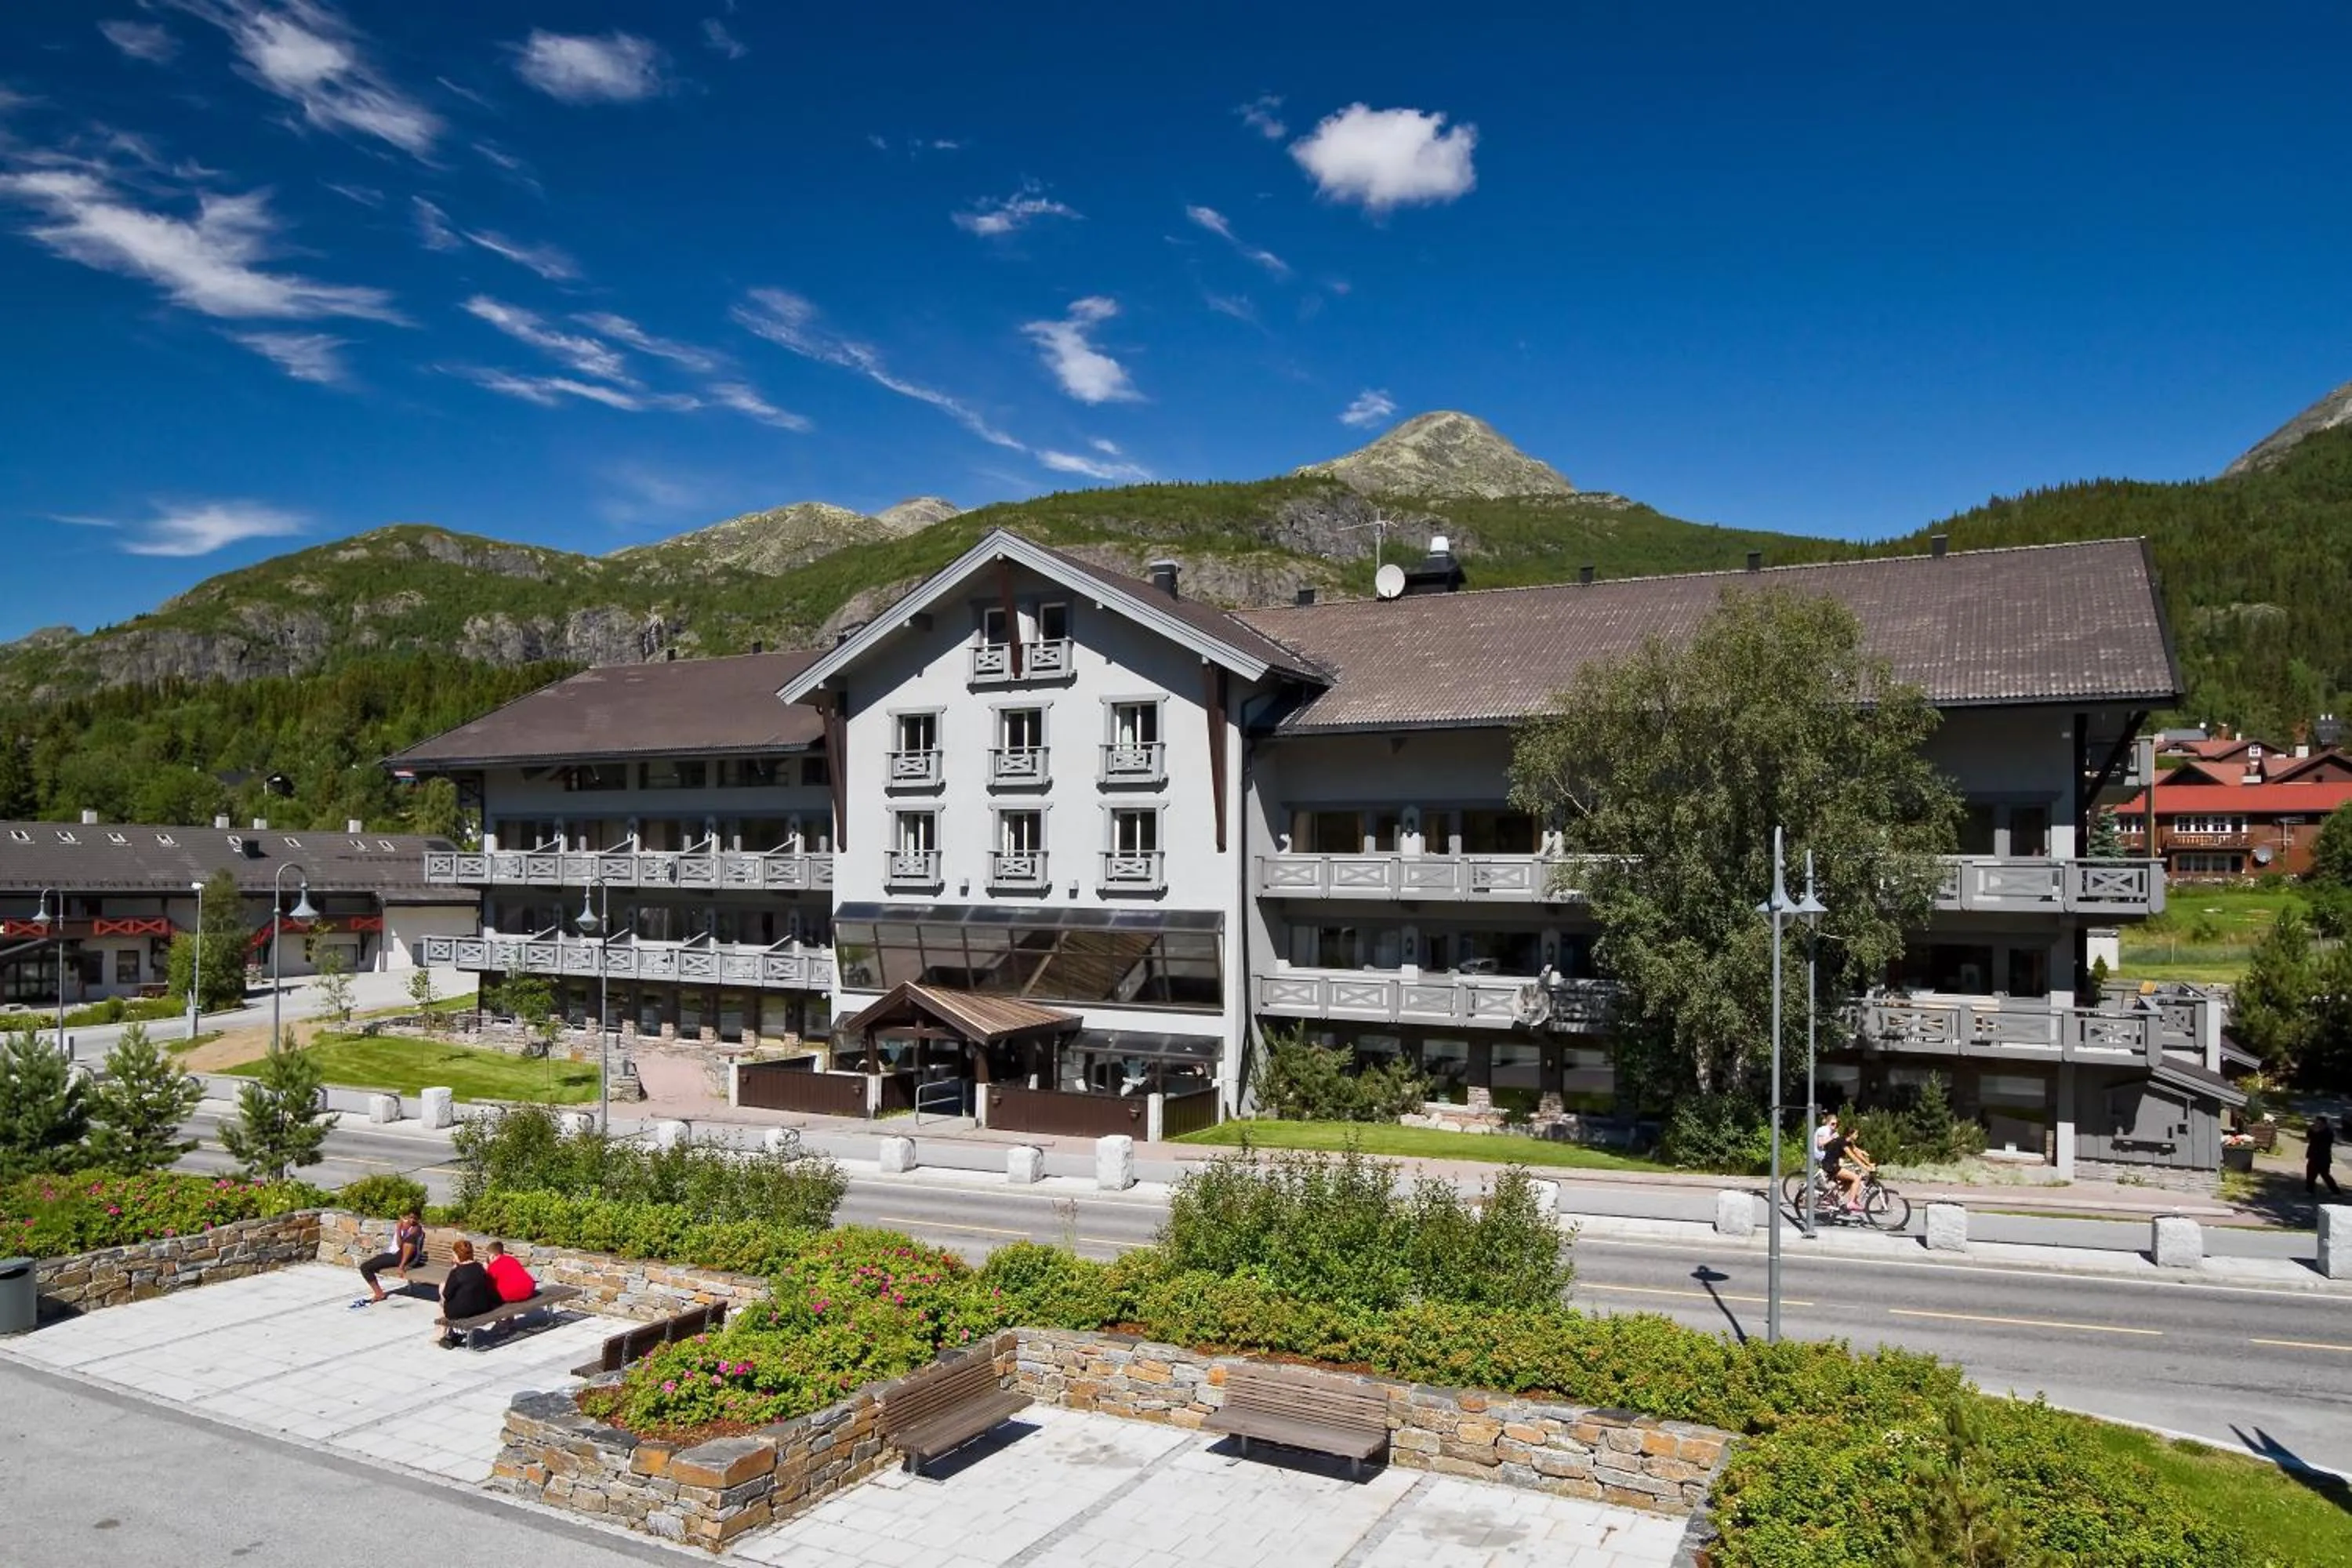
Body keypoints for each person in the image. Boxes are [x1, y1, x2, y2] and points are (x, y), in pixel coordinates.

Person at [433, 1238, 499, 1348]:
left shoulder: (456, 1272)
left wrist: (442, 1292)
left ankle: (442, 1334)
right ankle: (447, 1333)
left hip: (461, 1312)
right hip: (481, 1307)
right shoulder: (480, 1268)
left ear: (457, 1255)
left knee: (442, 1294)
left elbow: (447, 1294)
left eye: (453, 1254)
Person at [353, 1210, 426, 1307]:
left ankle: (379, 1294)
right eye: (410, 1217)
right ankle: (379, 1293)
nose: (412, 1220)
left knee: (365, 1267)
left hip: (401, 1259)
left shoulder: (417, 1230)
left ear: (418, 1219)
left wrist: (401, 1266)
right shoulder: (409, 1228)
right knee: (366, 1266)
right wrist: (400, 1230)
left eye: (415, 1218)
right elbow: (400, 1245)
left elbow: (409, 1247)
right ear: (407, 1217)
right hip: (396, 1255)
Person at [1822, 1124, 1874, 1212]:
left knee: (1850, 1181)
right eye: (1856, 1134)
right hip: (1830, 1166)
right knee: (1856, 1178)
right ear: (1850, 1134)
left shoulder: (1849, 1142)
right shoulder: (1842, 1142)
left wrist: (1869, 1164)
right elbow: (1853, 1157)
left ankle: (1832, 1197)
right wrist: (1865, 1167)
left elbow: (1857, 1152)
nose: (1858, 1136)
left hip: (1833, 1164)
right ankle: (1851, 1203)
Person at [483, 1239, 538, 1305]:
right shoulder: (512, 1259)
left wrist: (487, 1270)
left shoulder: (493, 1266)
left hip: (511, 1295)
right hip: (529, 1290)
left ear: (492, 1256)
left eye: (488, 1258)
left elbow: (489, 1286)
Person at [2308, 1115, 2341, 1198]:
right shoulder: (2313, 1129)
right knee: (2311, 1174)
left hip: (2323, 1157)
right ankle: (2309, 1190)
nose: (2316, 1124)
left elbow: (2324, 1142)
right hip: (2313, 1155)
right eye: (2315, 1122)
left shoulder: (2328, 1132)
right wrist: (2313, 1131)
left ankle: (2336, 1191)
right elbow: (2309, 1136)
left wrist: (2317, 1132)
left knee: (2325, 1175)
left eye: (2318, 1122)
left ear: (2324, 1123)